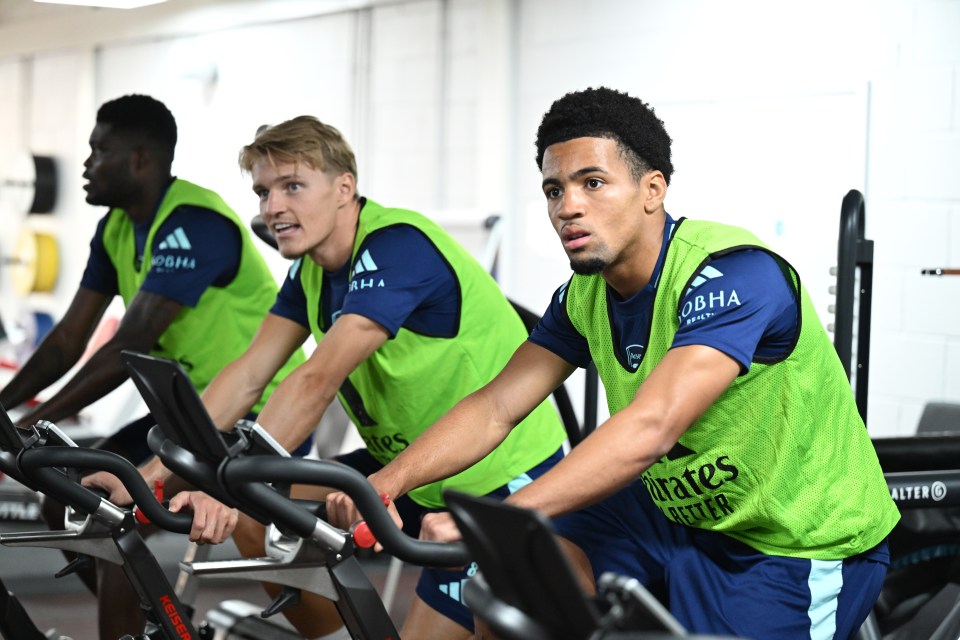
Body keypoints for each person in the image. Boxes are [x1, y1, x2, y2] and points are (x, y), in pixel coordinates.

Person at [325, 87, 901, 640]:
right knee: (510, 586)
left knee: (508, 542)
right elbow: (497, 406)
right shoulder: (586, 296)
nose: (568, 206)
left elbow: (653, 426)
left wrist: (496, 522)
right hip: (671, 513)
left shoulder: (735, 273)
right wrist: (386, 482)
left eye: (592, 182)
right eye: (554, 190)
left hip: (792, 539)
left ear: (653, 189)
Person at [87, 114, 568, 639]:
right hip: (408, 470)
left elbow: (318, 378)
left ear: (345, 188)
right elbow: (247, 375)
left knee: (247, 495)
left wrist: (224, 487)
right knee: (256, 510)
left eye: (293, 186)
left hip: (497, 477)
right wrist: (151, 477)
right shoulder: (310, 270)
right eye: (264, 191)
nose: (273, 207)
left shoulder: (396, 247)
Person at [0, 94, 306, 639]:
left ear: (140, 159)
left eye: (100, 151)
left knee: (106, 509)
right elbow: (68, 340)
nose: (88, 166)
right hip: (185, 414)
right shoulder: (116, 228)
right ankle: (162, 621)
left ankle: (142, 629)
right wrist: (3, 412)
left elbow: (131, 343)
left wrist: (33, 423)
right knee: (62, 494)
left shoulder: (194, 224)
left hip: (253, 416)